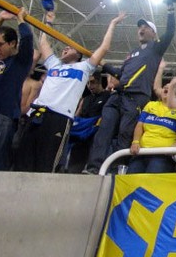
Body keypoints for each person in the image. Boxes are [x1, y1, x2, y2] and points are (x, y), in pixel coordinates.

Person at [15, 11, 125, 172]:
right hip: (37, 115)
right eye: (65, 46)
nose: (65, 47)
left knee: (47, 163)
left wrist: (113, 23)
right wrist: (48, 23)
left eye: (70, 46)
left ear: (79, 53)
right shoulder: (54, 65)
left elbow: (104, 47)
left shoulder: (84, 67)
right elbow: (43, 43)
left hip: (59, 118)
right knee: (24, 160)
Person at [84, 3, 176, 174]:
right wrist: (104, 65)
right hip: (117, 96)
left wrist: (170, 9)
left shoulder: (156, 48)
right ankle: (93, 168)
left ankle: (116, 171)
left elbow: (170, 32)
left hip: (136, 98)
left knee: (125, 135)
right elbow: (121, 74)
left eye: (145, 26)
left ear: (153, 33)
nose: (141, 29)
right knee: (104, 131)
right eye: (139, 27)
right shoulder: (131, 53)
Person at [128, 76, 176, 174]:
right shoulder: (151, 105)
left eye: (170, 87)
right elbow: (140, 124)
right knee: (130, 182)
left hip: (163, 156)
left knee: (152, 184)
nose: (166, 88)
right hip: (141, 152)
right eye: (164, 87)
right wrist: (135, 141)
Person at [0, 8, 33, 170]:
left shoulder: (19, 62)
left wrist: (21, 19)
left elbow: (28, 38)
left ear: (12, 44)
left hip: (2, 117)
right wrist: (0, 19)